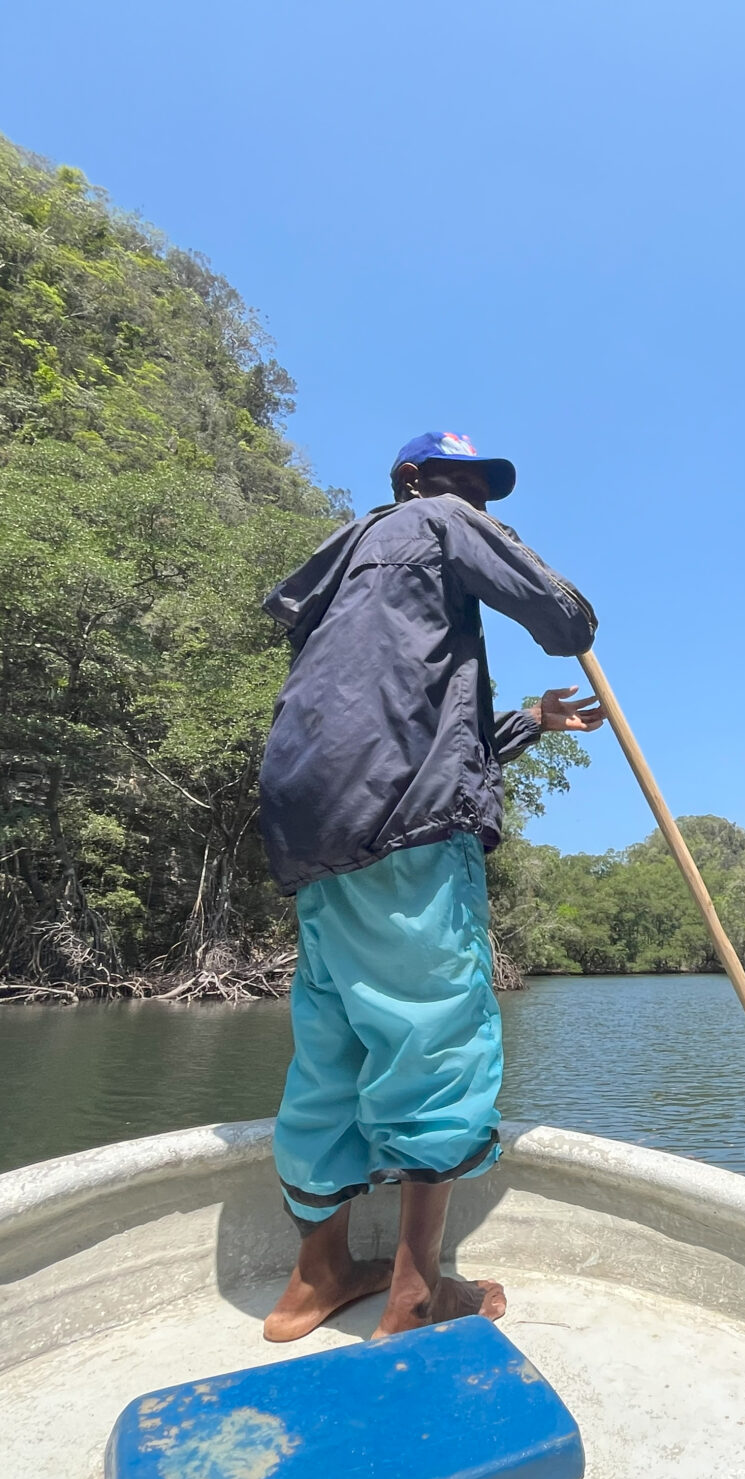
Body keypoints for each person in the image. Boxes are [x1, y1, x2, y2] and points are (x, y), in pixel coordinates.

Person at [253, 430, 601, 1342]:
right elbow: (568, 622)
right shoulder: (437, 522)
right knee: (437, 1037)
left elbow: (409, 721)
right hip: (405, 827)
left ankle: (316, 1277)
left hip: (314, 828)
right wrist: (515, 556)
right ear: (413, 481)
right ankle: (415, 1298)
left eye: (482, 489)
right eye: (460, 483)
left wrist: (530, 719)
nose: (475, 499)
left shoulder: (339, 577)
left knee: (332, 1044)